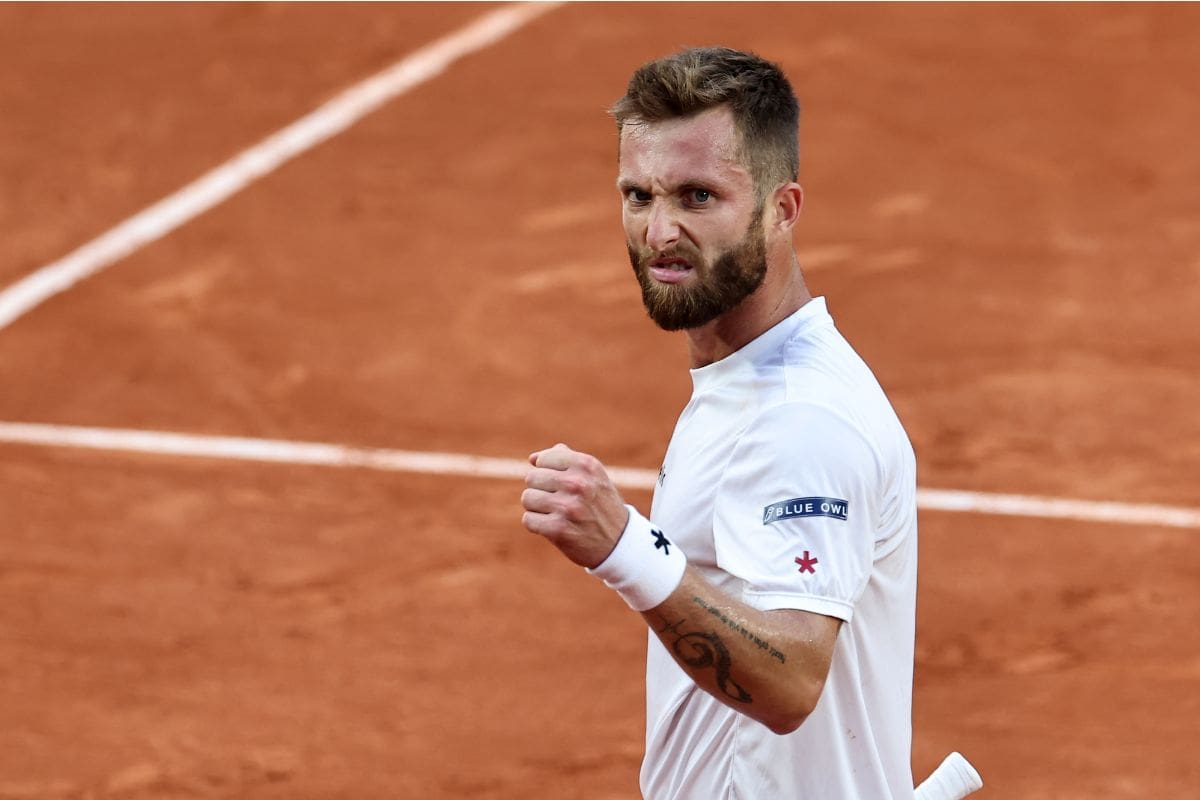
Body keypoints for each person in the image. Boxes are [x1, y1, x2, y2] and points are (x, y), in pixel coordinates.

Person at [520, 47, 917, 799]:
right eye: (639, 196)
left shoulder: (802, 420)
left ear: (782, 208)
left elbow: (792, 683)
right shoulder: (745, 377)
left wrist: (623, 547)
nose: (660, 231)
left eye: (698, 197)